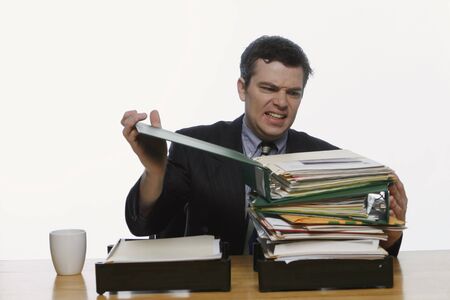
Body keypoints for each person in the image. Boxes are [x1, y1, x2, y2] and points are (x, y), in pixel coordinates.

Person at [121, 35, 407, 255]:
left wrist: (390, 231)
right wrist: (154, 171)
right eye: (269, 89)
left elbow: (362, 240)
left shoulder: (327, 158)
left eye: (293, 93)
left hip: (293, 290)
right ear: (242, 88)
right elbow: (145, 225)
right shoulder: (194, 146)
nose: (281, 103)